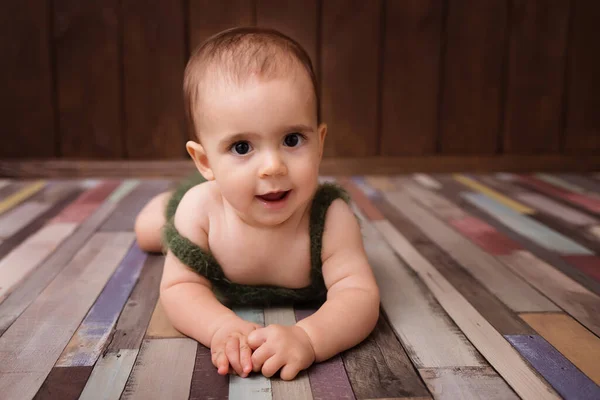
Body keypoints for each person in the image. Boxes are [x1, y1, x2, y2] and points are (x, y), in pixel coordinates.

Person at [134, 27, 380, 381]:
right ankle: (164, 203)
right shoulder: (201, 211)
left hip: (233, 192)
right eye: (242, 147)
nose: (273, 167)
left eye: (292, 139)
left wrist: (309, 337)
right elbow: (179, 289)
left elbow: (359, 295)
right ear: (204, 161)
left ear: (320, 141)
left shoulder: (329, 218)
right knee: (148, 232)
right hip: (211, 199)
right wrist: (221, 327)